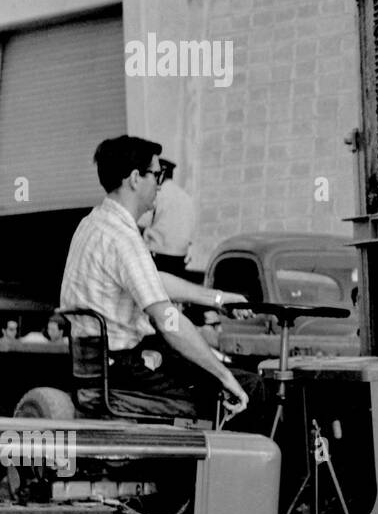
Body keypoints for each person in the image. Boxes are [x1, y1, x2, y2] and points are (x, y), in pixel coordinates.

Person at [60, 135, 251, 421]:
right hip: (125, 368)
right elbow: (168, 320)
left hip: (98, 363)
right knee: (249, 386)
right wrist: (224, 376)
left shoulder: (93, 224)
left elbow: (150, 280)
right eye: (157, 174)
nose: (159, 185)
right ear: (135, 178)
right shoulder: (123, 238)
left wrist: (218, 299)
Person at [139, 157, 195, 277]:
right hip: (180, 256)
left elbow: (142, 223)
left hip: (159, 255)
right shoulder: (185, 196)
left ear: (161, 173)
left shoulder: (157, 194)